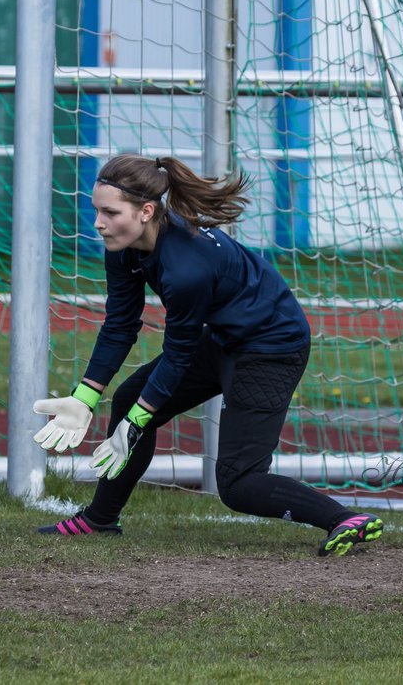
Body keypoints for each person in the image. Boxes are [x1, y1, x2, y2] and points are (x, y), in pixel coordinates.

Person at [31, 153, 383, 557]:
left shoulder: (186, 269)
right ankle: (99, 520)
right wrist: (85, 397)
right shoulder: (123, 245)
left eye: (110, 212)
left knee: (238, 483)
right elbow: (120, 324)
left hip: (271, 348)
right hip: (224, 338)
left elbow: (177, 354)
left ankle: (344, 519)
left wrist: (136, 423)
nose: (98, 223)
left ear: (146, 211)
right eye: (97, 210)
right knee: (131, 398)